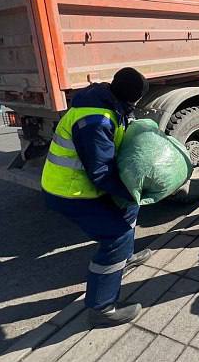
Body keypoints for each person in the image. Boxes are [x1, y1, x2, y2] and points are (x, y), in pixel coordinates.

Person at [41, 67, 151, 328]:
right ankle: (101, 308)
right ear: (131, 97)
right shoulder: (96, 121)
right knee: (115, 237)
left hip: (82, 186)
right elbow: (100, 172)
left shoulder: (107, 104)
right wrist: (135, 191)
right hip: (69, 191)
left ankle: (126, 256)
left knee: (129, 209)